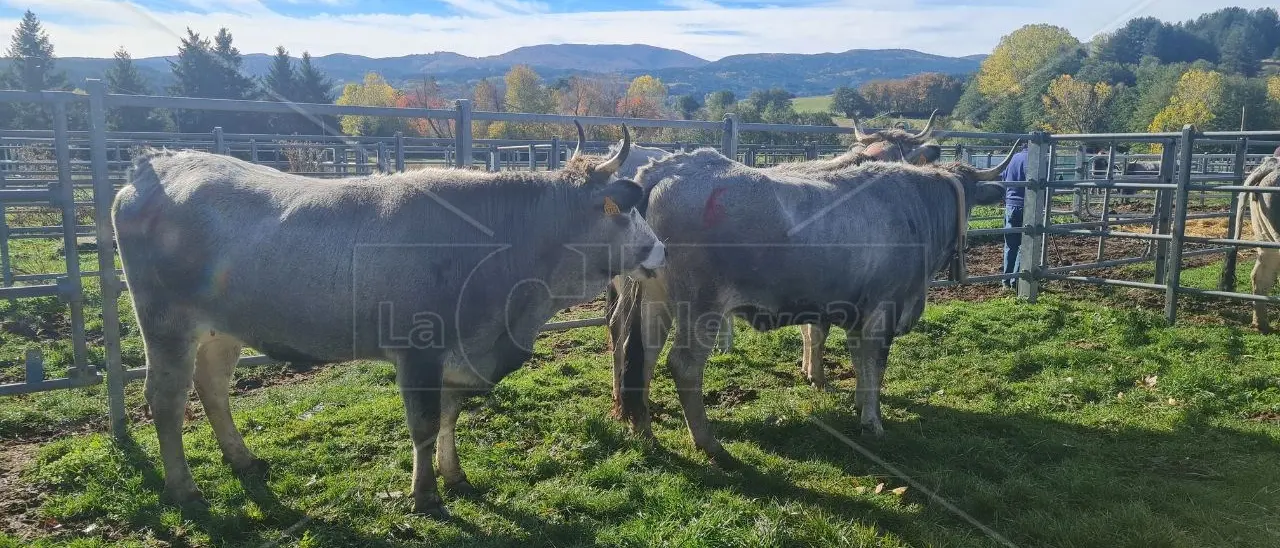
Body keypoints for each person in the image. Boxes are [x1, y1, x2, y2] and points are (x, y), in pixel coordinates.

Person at [1001, 143, 1030, 289]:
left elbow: (1004, 177)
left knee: (1010, 245)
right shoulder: (1034, 159)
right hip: (1027, 206)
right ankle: (1016, 281)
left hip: (1010, 205)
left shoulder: (1014, 158)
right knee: (1024, 244)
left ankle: (1006, 280)